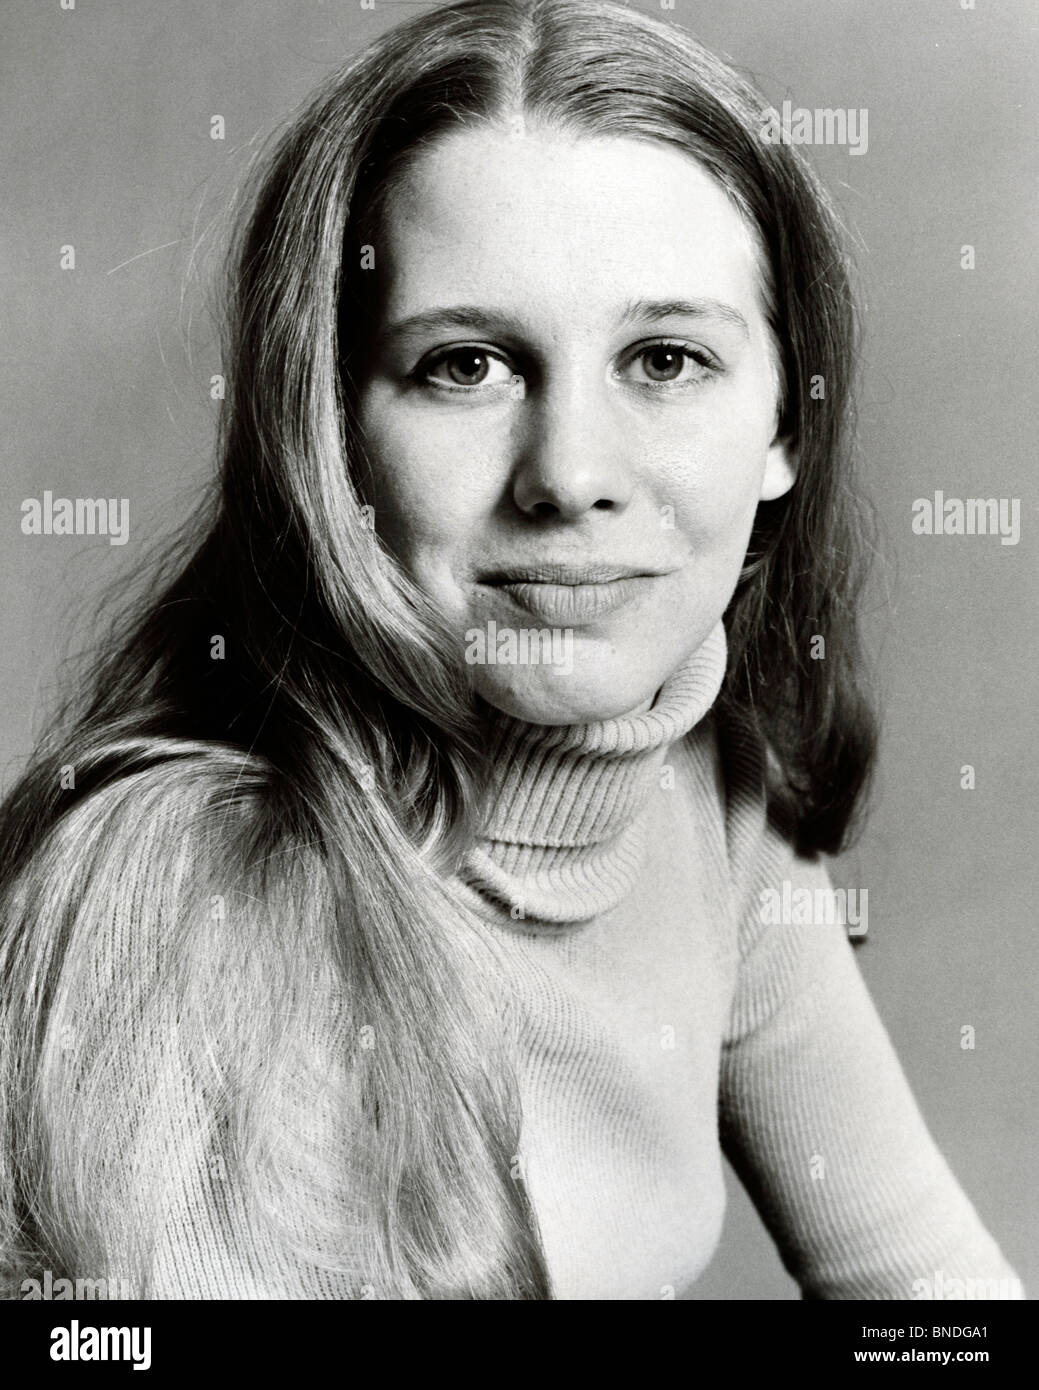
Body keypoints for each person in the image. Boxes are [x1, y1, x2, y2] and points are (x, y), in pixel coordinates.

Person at [0, 0, 1022, 1301]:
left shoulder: (711, 803)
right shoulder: (171, 893)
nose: (572, 474)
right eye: (467, 365)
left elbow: (927, 1291)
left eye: (665, 358)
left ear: (787, 427)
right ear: (330, 434)